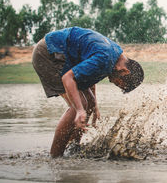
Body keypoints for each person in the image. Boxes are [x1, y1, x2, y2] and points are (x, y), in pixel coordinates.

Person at [32, 27, 144, 158]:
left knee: (88, 103)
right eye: (118, 83)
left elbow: (89, 74)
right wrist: (79, 109)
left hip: (61, 53)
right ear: (125, 71)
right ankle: (55, 157)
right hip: (49, 53)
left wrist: (94, 104)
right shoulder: (106, 58)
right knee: (79, 105)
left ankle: (73, 147)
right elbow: (67, 78)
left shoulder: (114, 55)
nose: (112, 82)